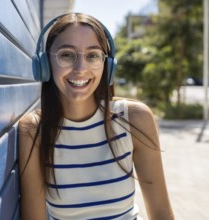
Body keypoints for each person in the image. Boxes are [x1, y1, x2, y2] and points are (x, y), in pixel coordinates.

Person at [18, 12, 174, 220]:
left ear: (107, 66)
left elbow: (161, 213)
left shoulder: (134, 118)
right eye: (67, 55)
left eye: (92, 56)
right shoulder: (33, 130)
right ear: (45, 65)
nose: (80, 69)